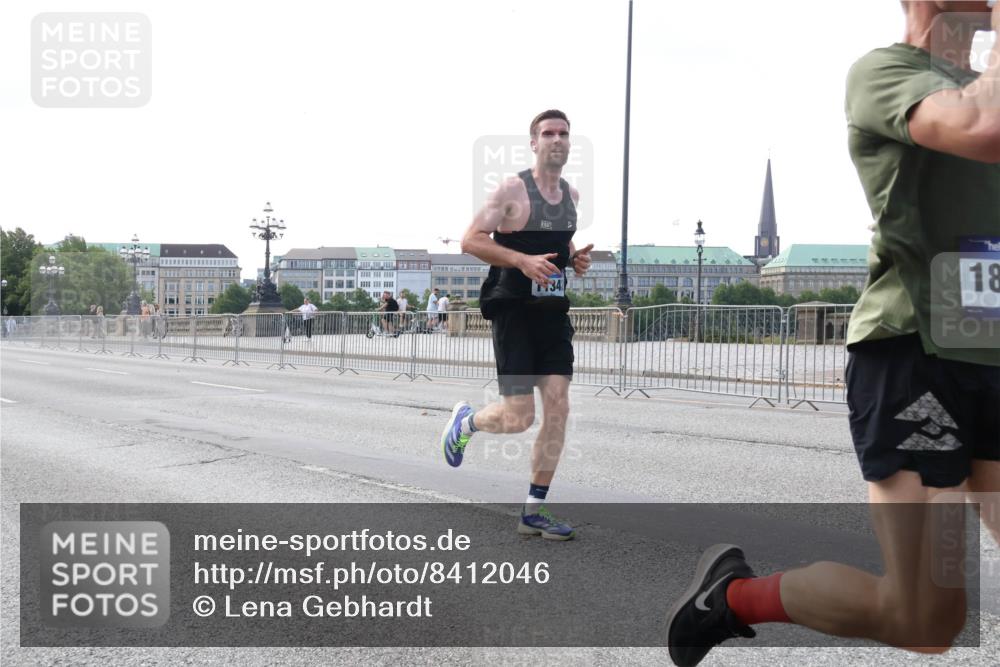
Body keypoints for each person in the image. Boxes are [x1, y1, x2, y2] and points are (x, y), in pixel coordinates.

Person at [667, 3, 1000, 665]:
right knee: (927, 621)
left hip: (990, 353)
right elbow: (981, 125)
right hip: (916, 358)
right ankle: (731, 598)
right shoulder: (888, 72)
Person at [439, 109, 593, 540]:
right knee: (519, 417)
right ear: (534, 142)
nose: (557, 139)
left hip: (552, 310)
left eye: (564, 133)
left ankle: (533, 511)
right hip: (513, 309)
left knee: (558, 406)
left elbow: (560, 244)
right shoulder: (512, 189)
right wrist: (521, 261)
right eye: (548, 133)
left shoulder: (572, 196)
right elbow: (471, 239)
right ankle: (465, 424)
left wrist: (574, 259)